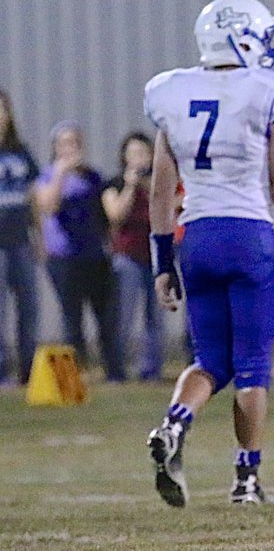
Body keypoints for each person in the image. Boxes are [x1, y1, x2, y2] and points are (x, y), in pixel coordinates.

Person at [143, 0, 274, 507]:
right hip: (247, 235)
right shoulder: (268, 91)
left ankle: (174, 423)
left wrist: (162, 264)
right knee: (252, 366)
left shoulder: (171, 91)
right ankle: (246, 482)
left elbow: (160, 192)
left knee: (210, 358)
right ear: (243, 38)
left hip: (195, 238)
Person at [35, 121, 124, 381]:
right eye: (64, 143)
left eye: (74, 143)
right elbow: (48, 205)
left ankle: (114, 371)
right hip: (64, 257)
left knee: (106, 316)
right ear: (55, 148)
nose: (70, 148)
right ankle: (74, 374)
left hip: (94, 255)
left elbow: (104, 214)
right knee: (71, 318)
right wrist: (61, 173)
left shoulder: (92, 177)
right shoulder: (48, 175)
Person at [103, 131, 166, 381]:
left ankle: (151, 370)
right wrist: (130, 186)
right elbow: (115, 216)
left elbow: (172, 207)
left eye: (144, 153)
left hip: (156, 257)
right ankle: (117, 370)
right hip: (127, 257)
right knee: (123, 316)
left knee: (156, 317)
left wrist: (149, 187)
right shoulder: (114, 184)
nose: (139, 159)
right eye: (134, 154)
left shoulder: (160, 184)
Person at [0, 90, 41, 386]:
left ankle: (29, 371)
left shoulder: (21, 151)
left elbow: (33, 196)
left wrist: (39, 235)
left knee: (29, 307)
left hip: (21, 240)